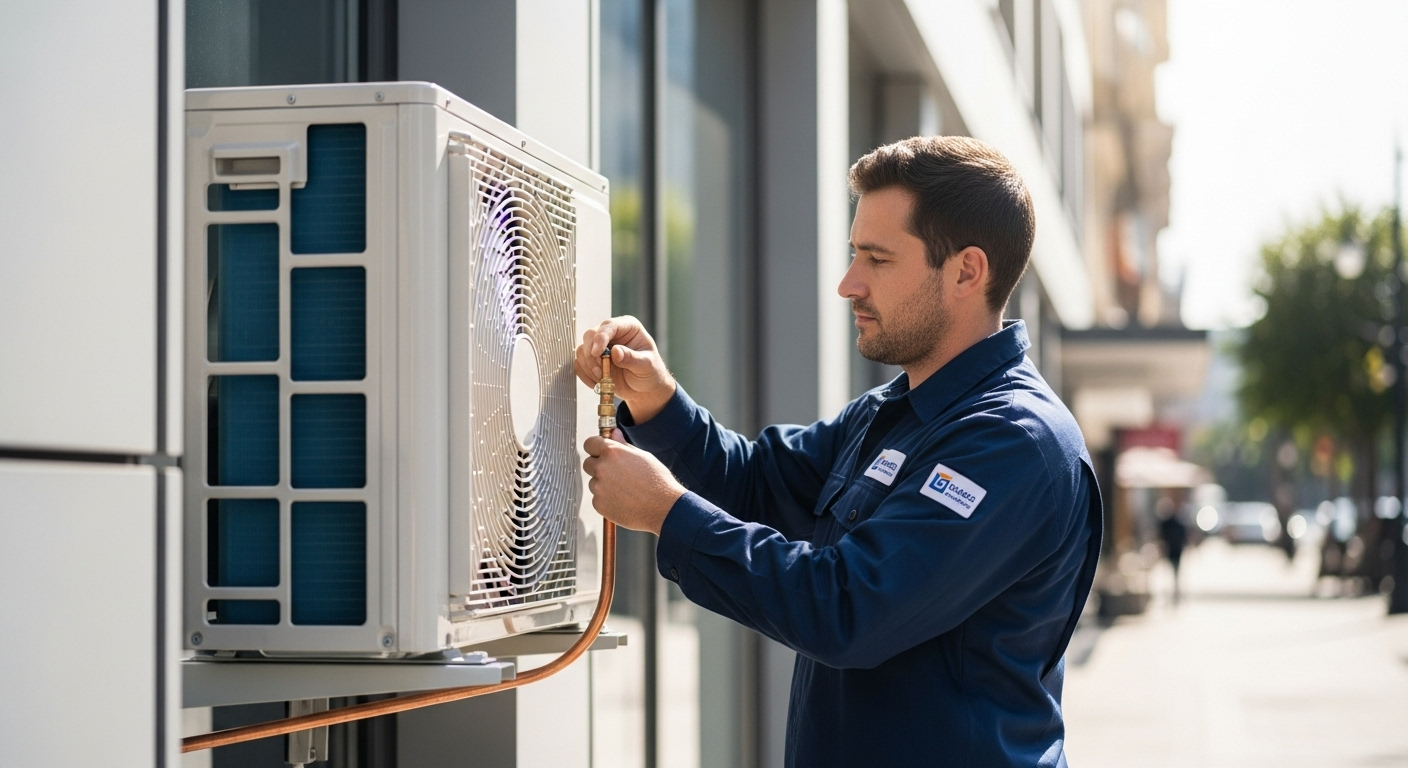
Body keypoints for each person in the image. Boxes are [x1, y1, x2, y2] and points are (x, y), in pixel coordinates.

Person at [577, 136, 1102, 767]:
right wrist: (660, 403)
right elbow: (757, 483)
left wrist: (667, 513)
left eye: (877, 260)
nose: (848, 284)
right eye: (855, 254)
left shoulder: (1015, 442)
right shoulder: (895, 410)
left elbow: (849, 608)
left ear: (967, 271)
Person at [1155, 496, 1187, 604]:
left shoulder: (1170, 524)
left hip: (1174, 551)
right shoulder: (1169, 524)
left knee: (1173, 574)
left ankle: (1174, 595)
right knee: (1172, 574)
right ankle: (1173, 594)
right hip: (1173, 551)